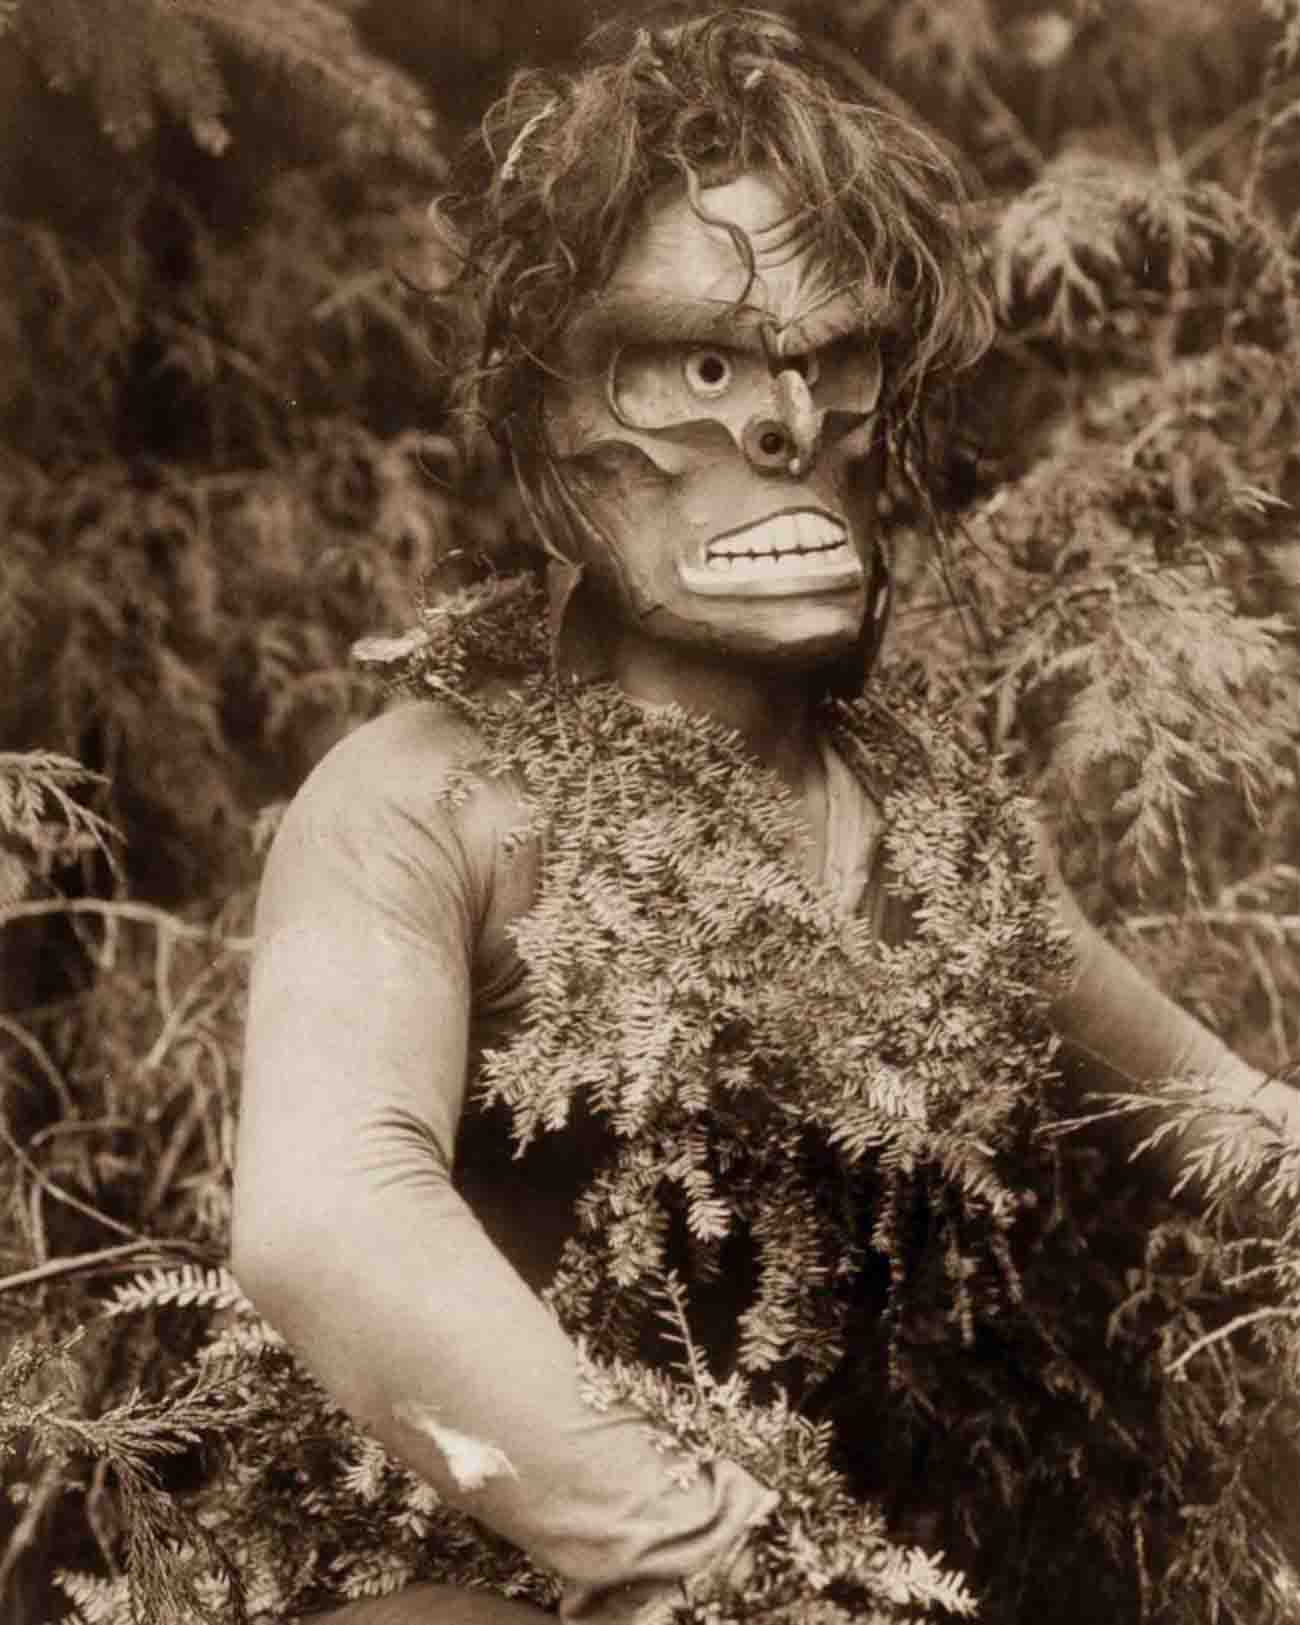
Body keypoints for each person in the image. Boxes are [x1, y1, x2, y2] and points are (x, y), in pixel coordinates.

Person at [231, 10, 1299, 1623]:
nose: (783, 428)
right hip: (482, 1572)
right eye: (702, 367)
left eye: (832, 362)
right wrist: (718, 1560)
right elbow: (326, 1214)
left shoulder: (935, 822)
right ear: (551, 422)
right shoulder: (423, 800)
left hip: (887, 1561)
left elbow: (1211, 1123)